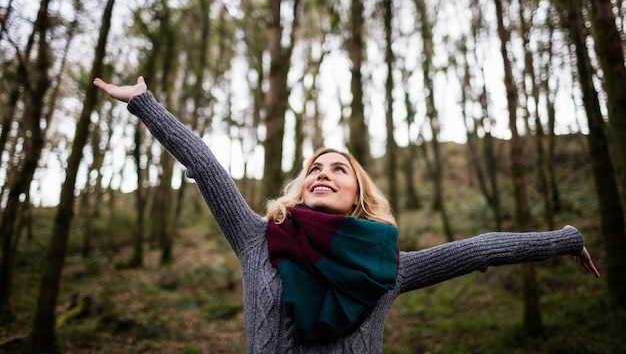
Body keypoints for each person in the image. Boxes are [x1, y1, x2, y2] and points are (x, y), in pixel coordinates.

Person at [94, 76, 600, 354]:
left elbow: (480, 249)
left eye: (340, 168)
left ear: (358, 192)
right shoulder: (258, 238)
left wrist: (566, 240)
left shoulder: (389, 267)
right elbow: (205, 166)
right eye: (316, 167)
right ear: (302, 183)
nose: (324, 172)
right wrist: (144, 104)